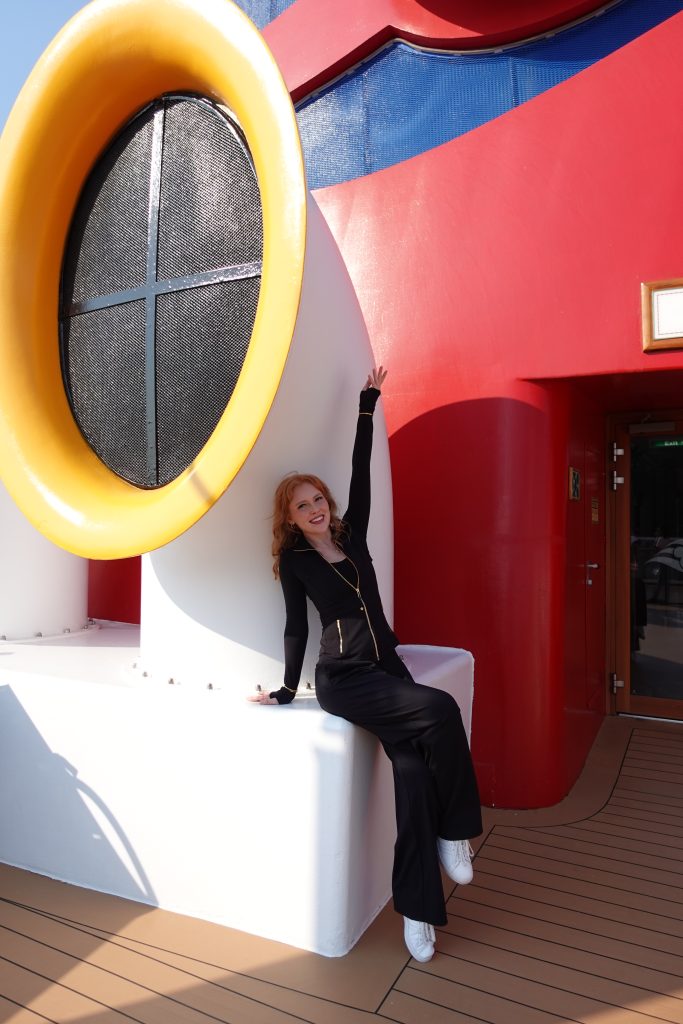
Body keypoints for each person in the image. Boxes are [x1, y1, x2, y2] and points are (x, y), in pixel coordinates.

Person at [248, 367, 482, 962]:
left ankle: (419, 913)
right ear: (292, 518)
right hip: (345, 681)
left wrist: (365, 407)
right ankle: (457, 830)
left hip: (388, 669)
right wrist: (284, 687)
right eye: (303, 506)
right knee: (442, 708)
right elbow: (296, 627)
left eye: (318, 499)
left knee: (410, 772)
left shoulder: (353, 536)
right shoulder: (297, 565)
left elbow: (361, 474)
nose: (316, 509)